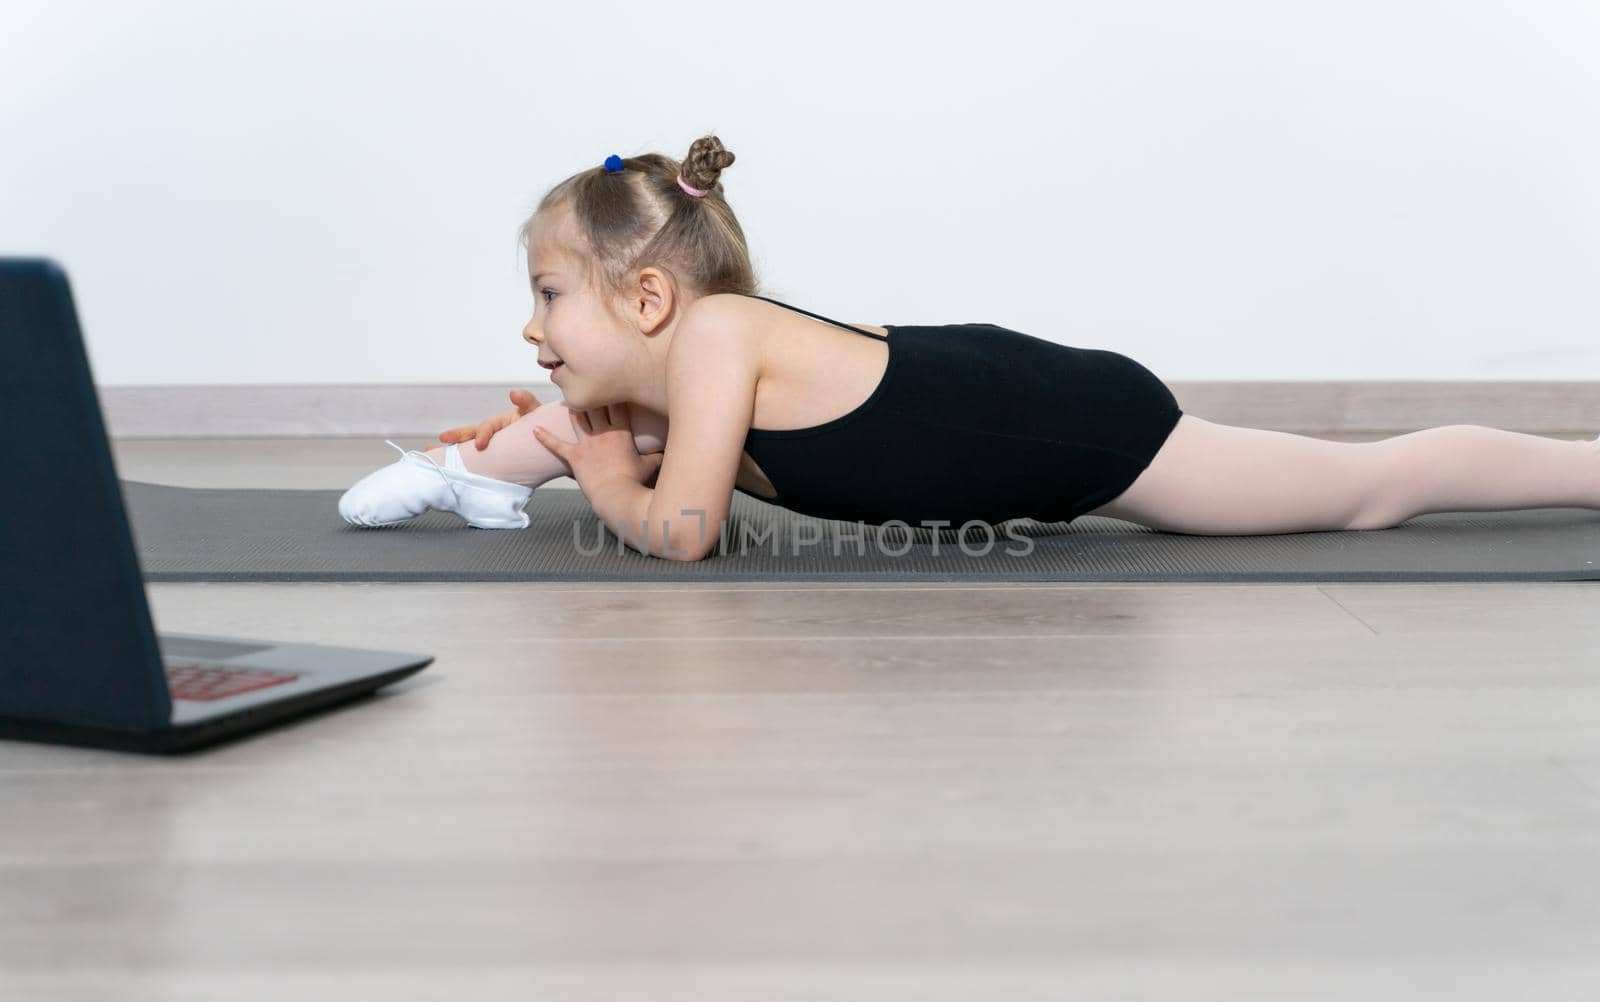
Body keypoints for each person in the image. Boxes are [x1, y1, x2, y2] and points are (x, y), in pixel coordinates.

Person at [340, 134, 1600, 561]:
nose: (531, 325)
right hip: (1009, 395)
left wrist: (605, 471)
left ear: (654, 298)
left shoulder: (721, 339)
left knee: (1370, 491)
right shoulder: (695, 377)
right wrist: (541, 445)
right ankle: (474, 481)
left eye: (551, 295)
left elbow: (683, 535)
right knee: (582, 433)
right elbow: (636, 448)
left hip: (1086, 427)